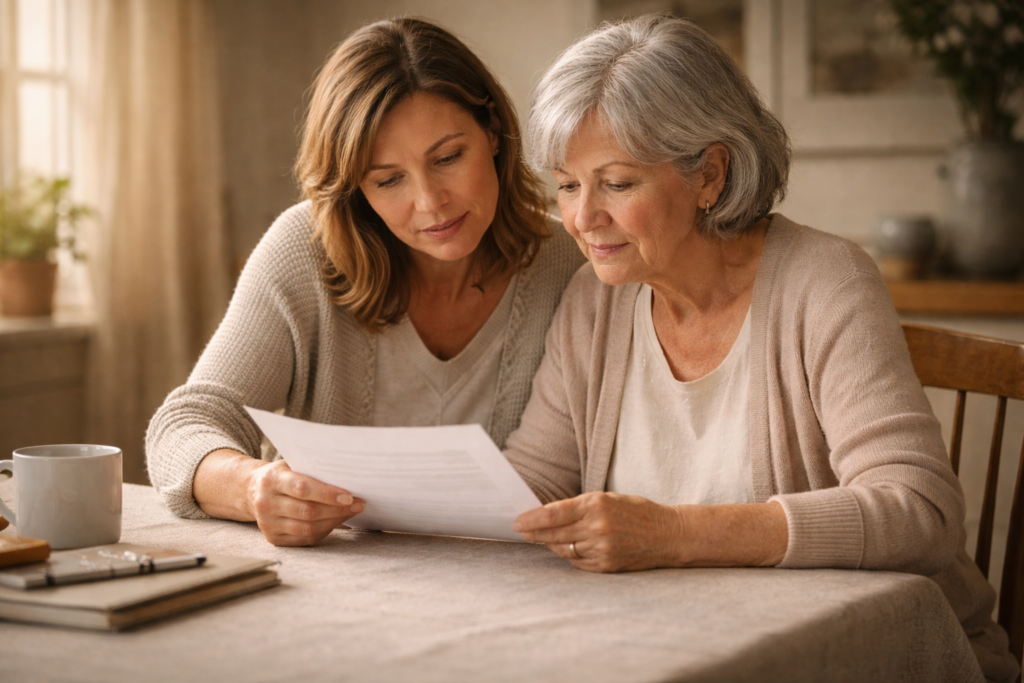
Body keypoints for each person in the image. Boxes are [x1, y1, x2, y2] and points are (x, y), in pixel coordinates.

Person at [503, 15, 1018, 681]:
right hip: (674, 648)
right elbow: (531, 484)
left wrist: (677, 534)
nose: (581, 217)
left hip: (871, 656)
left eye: (617, 183)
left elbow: (920, 511)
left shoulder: (826, 282)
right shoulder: (594, 301)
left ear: (710, 175)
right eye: (568, 184)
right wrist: (382, 499)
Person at [146, 18, 584, 548]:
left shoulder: (573, 263)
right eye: (388, 179)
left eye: (448, 158)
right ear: (356, 187)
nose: (430, 202)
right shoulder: (304, 252)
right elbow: (185, 424)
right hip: (336, 589)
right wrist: (253, 487)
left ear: (492, 132)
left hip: (517, 586)